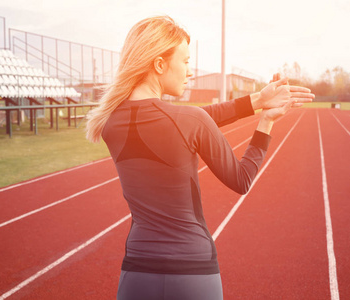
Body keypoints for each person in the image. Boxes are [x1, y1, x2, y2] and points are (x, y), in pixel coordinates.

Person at [86, 16, 314, 300]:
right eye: (185, 61)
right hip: (193, 273)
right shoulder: (190, 119)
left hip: (137, 274)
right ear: (159, 64)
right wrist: (266, 120)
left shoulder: (109, 122)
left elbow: (191, 119)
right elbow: (241, 180)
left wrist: (256, 100)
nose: (189, 71)